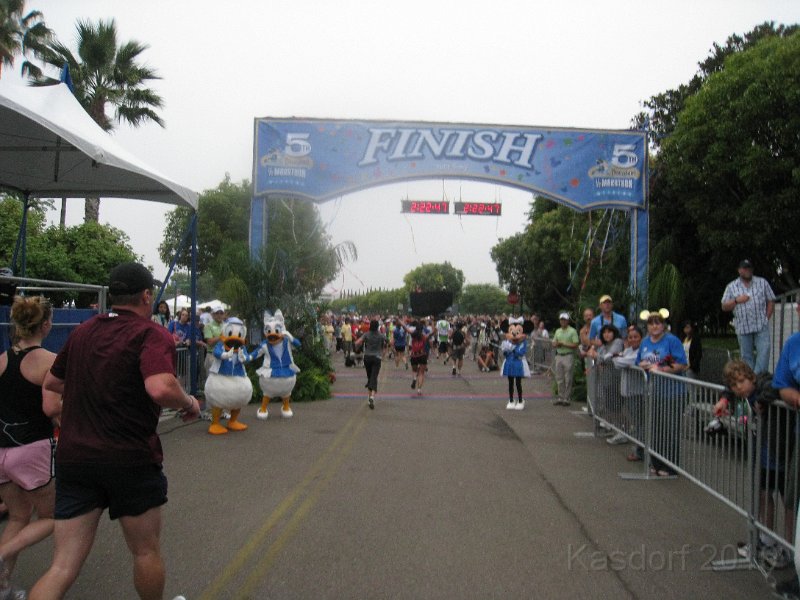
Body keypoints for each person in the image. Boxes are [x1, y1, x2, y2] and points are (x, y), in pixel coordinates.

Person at [30, 262, 200, 600]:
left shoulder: (83, 332)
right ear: (146, 296)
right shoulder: (150, 334)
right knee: (145, 551)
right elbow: (160, 386)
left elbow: (52, 382)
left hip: (76, 458)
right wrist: (189, 402)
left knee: (62, 567)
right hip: (129, 459)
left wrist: (89, 396)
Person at [0, 297, 58, 597]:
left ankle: (3, 586)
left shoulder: (1, 359)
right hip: (31, 449)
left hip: (1, 451)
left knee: (18, 515)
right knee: (51, 517)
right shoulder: (50, 361)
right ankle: (2, 555)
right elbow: (52, 408)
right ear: (45, 325)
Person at [714, 360, 793, 569]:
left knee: (789, 502)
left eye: (742, 382)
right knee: (764, 495)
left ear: (751, 377)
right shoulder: (743, 391)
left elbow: (773, 387)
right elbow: (729, 385)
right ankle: (766, 540)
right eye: (735, 385)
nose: (739, 387)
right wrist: (724, 398)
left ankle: (789, 548)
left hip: (781, 452)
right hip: (764, 454)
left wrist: (762, 401)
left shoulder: (764, 382)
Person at [636, 309, 688, 477]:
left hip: (672, 392)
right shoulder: (645, 342)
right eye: (651, 323)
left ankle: (670, 466)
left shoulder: (672, 340)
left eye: (657, 323)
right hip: (653, 391)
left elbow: (681, 364)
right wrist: (643, 365)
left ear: (663, 325)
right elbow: (638, 361)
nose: (654, 326)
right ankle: (656, 462)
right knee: (655, 428)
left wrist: (661, 369)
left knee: (670, 429)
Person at [721, 259, 775, 374]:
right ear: (739, 270)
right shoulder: (731, 286)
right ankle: (750, 378)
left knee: (764, 351)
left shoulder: (762, 282)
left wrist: (766, 318)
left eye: (749, 268)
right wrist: (736, 300)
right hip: (743, 327)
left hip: (761, 325)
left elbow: (771, 300)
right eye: (745, 268)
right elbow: (724, 306)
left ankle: (758, 377)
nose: (748, 271)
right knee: (746, 357)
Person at [613, 325, 646, 461]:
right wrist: (619, 359)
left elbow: (628, 361)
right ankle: (639, 449)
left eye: (636, 337)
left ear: (641, 338)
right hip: (627, 392)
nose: (632, 339)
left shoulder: (642, 352)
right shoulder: (627, 351)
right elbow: (617, 362)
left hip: (637, 392)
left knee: (640, 423)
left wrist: (619, 359)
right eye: (630, 337)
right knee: (636, 422)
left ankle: (640, 451)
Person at [354, 319, 386, 409]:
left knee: (370, 377)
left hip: (367, 357)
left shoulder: (366, 334)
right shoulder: (381, 335)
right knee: (374, 377)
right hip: (377, 358)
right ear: (377, 326)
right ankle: (372, 397)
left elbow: (357, 342)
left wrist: (357, 347)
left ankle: (369, 398)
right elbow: (389, 342)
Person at [552, 312, 579, 406]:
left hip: (568, 355)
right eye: (561, 320)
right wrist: (556, 344)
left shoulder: (572, 331)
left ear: (568, 321)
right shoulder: (558, 331)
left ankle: (567, 398)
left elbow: (575, 344)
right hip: (559, 355)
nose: (563, 321)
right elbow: (553, 342)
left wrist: (563, 344)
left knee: (568, 378)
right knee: (559, 378)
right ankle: (560, 397)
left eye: (564, 320)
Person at [408, 322, 431, 396]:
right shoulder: (424, 336)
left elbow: (405, 328)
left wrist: (399, 321)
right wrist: (435, 330)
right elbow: (431, 334)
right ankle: (419, 390)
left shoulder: (412, 335)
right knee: (421, 373)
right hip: (422, 355)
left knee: (414, 371)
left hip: (414, 355)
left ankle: (414, 378)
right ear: (422, 329)